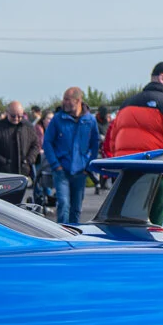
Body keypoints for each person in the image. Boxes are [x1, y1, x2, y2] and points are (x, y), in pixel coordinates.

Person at [103, 61, 163, 225]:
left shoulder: (126, 105)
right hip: (162, 175)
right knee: (157, 227)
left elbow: (113, 140)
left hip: (129, 175)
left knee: (130, 225)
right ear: (162, 78)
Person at [42, 87, 101, 225]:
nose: (64, 102)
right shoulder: (58, 119)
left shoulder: (89, 120)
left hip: (80, 171)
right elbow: (47, 142)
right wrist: (55, 165)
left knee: (76, 208)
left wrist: (89, 166)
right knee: (63, 203)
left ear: (78, 100)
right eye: (64, 99)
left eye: (67, 99)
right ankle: (61, 232)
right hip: (61, 170)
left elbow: (95, 144)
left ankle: (74, 233)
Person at [0, 101, 42, 177]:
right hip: (2, 173)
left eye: (19, 116)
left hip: (23, 172)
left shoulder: (28, 127)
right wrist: (2, 161)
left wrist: (29, 160)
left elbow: (35, 145)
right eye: (13, 116)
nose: (16, 118)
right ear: (7, 113)